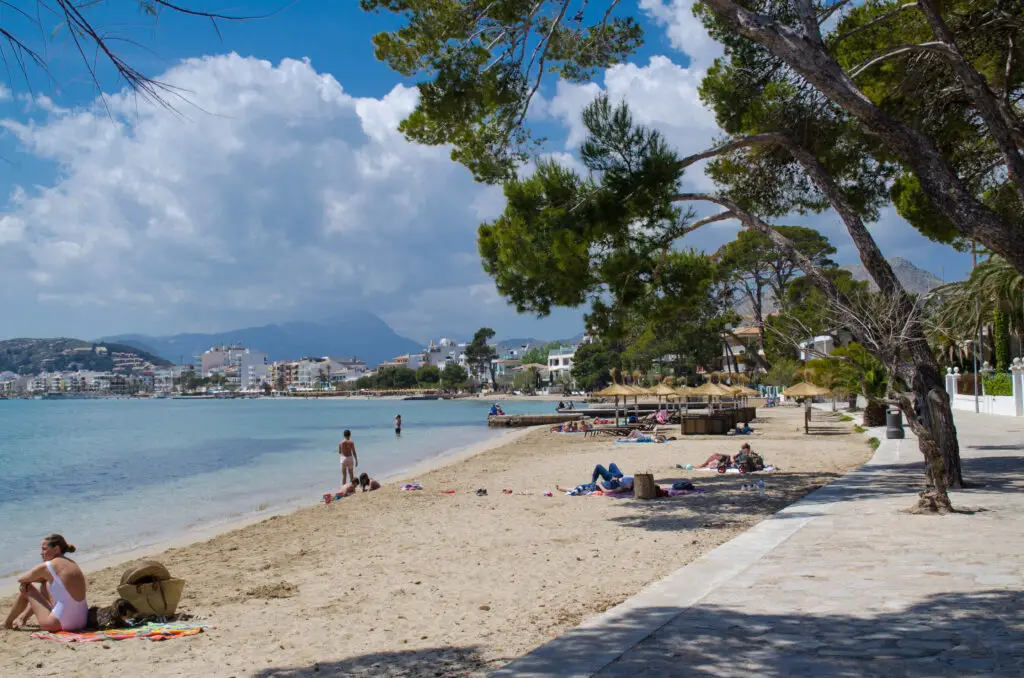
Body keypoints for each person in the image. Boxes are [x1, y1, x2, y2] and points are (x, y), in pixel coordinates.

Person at [4, 534, 88, 632]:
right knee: (45, 585)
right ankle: (23, 618)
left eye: (44, 549)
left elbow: (21, 579)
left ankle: (7, 623)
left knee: (25, 587)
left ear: (56, 549)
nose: (41, 553)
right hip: (81, 621)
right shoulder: (72, 563)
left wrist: (34, 578)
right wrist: (42, 578)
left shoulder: (48, 566)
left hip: (58, 624)